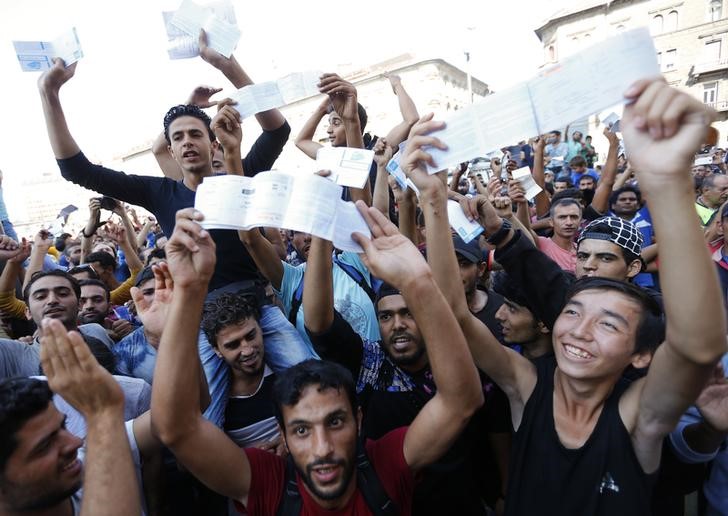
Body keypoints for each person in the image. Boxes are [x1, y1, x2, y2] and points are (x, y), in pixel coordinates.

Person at [405, 78, 725, 514]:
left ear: (641, 356)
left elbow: (696, 344)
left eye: (610, 323)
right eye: (572, 311)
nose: (581, 330)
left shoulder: (638, 416)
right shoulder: (525, 385)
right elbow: (455, 314)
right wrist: (432, 199)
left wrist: (668, 181)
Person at [151, 207, 483, 515]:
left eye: (336, 422)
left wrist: (418, 282)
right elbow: (176, 429)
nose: (322, 448)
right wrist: (189, 291)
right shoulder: (270, 484)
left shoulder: (385, 465)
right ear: (282, 434)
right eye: (301, 430)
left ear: (358, 419)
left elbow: (461, 399)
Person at [0, 318, 140, 516]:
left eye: (63, 427)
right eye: (44, 446)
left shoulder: (86, 463)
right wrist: (102, 415)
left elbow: (171, 424)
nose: (75, 442)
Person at [0, 270, 115, 379]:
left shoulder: (97, 331)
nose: (52, 300)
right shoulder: (10, 352)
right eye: (41, 296)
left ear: (80, 304)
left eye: (63, 294)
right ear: (28, 312)